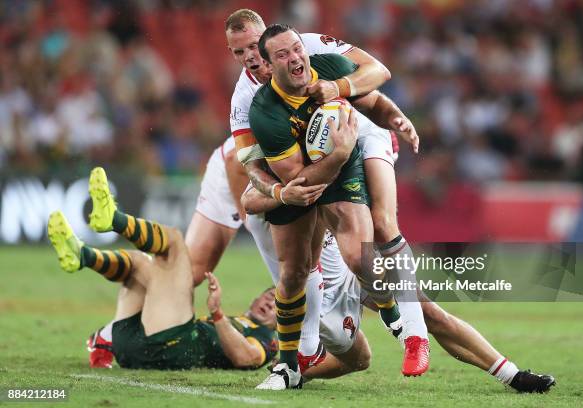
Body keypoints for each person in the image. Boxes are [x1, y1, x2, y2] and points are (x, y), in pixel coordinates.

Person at [225, 9, 428, 381]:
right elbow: (254, 165)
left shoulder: (309, 49)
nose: (250, 57)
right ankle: (298, 357)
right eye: (239, 53)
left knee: (381, 226)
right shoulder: (250, 103)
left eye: (254, 45)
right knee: (295, 266)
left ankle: (412, 331)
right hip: (310, 163)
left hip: (356, 132)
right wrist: (276, 190)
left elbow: (377, 77)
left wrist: (378, 108)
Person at [241, 189, 557, 393]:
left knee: (428, 311)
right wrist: (285, 192)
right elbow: (249, 202)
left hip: (350, 268)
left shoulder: (326, 154)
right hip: (317, 295)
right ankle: (293, 364)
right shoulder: (278, 160)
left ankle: (512, 375)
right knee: (359, 358)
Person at [48, 167, 278, 370]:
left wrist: (217, 313)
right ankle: (83, 256)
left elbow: (246, 358)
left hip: (171, 348)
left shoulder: (267, 338)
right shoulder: (239, 319)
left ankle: (114, 220)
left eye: (276, 305)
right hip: (133, 344)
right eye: (269, 296)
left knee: (174, 241)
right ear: (255, 299)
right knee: (139, 262)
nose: (269, 302)